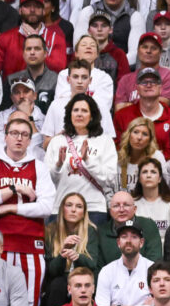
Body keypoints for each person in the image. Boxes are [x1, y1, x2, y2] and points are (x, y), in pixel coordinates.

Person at [0, 117, 56, 306]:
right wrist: (14, 188)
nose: (19, 138)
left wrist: (10, 208)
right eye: (14, 133)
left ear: (30, 140)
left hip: (30, 243)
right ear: (5, 136)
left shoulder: (39, 167)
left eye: (24, 134)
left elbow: (46, 207)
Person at [43, 93, 118, 226]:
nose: (79, 114)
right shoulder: (57, 141)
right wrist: (58, 165)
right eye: (75, 110)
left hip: (94, 208)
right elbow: (47, 182)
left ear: (92, 116)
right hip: (61, 206)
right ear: (69, 114)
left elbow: (110, 179)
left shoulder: (105, 141)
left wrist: (88, 161)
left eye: (84, 110)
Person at [41, 59, 116, 150]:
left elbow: (110, 144)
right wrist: (60, 137)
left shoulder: (101, 106)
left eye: (84, 77)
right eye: (75, 77)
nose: (80, 81)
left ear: (90, 80)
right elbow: (45, 145)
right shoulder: (56, 105)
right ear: (68, 79)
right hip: (62, 160)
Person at [112, 67, 170, 161]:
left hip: (166, 172)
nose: (149, 85)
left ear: (161, 88)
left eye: (154, 82)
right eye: (144, 82)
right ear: (137, 88)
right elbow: (117, 150)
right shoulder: (122, 116)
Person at [0, 0, 67, 77]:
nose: (32, 10)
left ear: (43, 11)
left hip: (46, 89)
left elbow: (59, 69)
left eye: (37, 6)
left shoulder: (56, 37)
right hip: (12, 88)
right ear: (20, 10)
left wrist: (36, 40)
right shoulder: (5, 38)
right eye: (27, 6)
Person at [95, 220, 154, 306]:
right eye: (124, 237)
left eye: (134, 237)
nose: (128, 241)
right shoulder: (107, 271)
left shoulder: (153, 269)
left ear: (141, 242)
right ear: (118, 242)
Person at [113, 33, 170, 109]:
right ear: (138, 51)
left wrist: (130, 105)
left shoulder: (169, 76)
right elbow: (119, 109)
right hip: (131, 121)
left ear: (160, 53)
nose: (148, 51)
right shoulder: (125, 80)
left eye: (154, 48)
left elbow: (162, 105)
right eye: (145, 47)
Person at [73, 0, 145, 67]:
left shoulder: (135, 16)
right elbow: (79, 47)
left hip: (122, 69)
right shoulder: (88, 12)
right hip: (89, 68)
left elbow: (135, 54)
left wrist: (112, 65)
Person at [97, 191, 163, 265]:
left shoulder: (148, 225)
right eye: (116, 206)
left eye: (126, 205)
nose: (121, 210)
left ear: (134, 209)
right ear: (110, 211)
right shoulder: (101, 231)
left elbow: (155, 261)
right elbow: (98, 267)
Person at [0, 80, 46, 160]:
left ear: (35, 95)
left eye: (26, 91)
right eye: (17, 92)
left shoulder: (44, 118)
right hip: (5, 160)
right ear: (12, 97)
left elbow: (41, 146)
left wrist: (29, 116)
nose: (21, 96)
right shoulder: (1, 117)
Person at [52, 36, 114, 112]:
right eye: (84, 45)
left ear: (97, 54)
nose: (88, 47)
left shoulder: (104, 78)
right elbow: (62, 102)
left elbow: (102, 107)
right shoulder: (64, 74)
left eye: (92, 45)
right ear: (76, 53)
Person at [133, 158, 170, 243]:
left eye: (153, 172)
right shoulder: (132, 204)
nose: (148, 175)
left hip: (167, 251)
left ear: (160, 178)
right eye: (145, 172)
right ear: (139, 179)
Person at [117, 117, 170, 192]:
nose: (139, 137)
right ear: (129, 135)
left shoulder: (156, 156)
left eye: (145, 134)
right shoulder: (119, 157)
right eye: (136, 132)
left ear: (150, 139)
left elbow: (164, 187)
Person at [86, 10, 130, 86]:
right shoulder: (81, 53)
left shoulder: (119, 54)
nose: (99, 29)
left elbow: (124, 85)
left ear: (110, 30)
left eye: (104, 25)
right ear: (89, 31)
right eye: (95, 25)